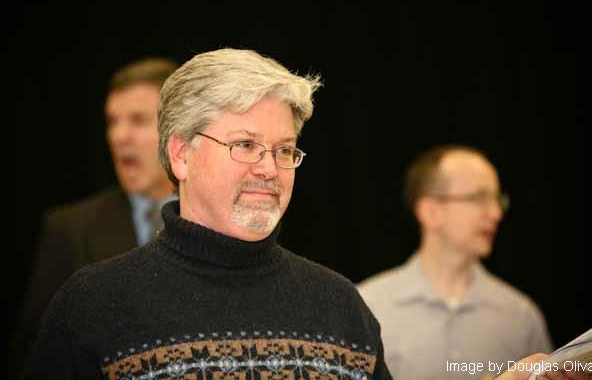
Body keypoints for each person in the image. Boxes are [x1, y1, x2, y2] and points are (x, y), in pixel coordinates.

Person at [25, 48, 393, 380]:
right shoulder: (93, 306)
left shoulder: (341, 307)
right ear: (181, 154)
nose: (269, 168)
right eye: (245, 145)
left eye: (284, 150)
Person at [10, 58, 178, 377]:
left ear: (179, 131)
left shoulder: (220, 221)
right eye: (112, 122)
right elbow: (37, 353)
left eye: (138, 120)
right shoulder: (69, 229)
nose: (120, 136)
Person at [358, 145, 553, 379]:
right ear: (430, 212)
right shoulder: (368, 306)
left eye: (497, 199)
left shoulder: (521, 317)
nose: (495, 213)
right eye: (479, 198)